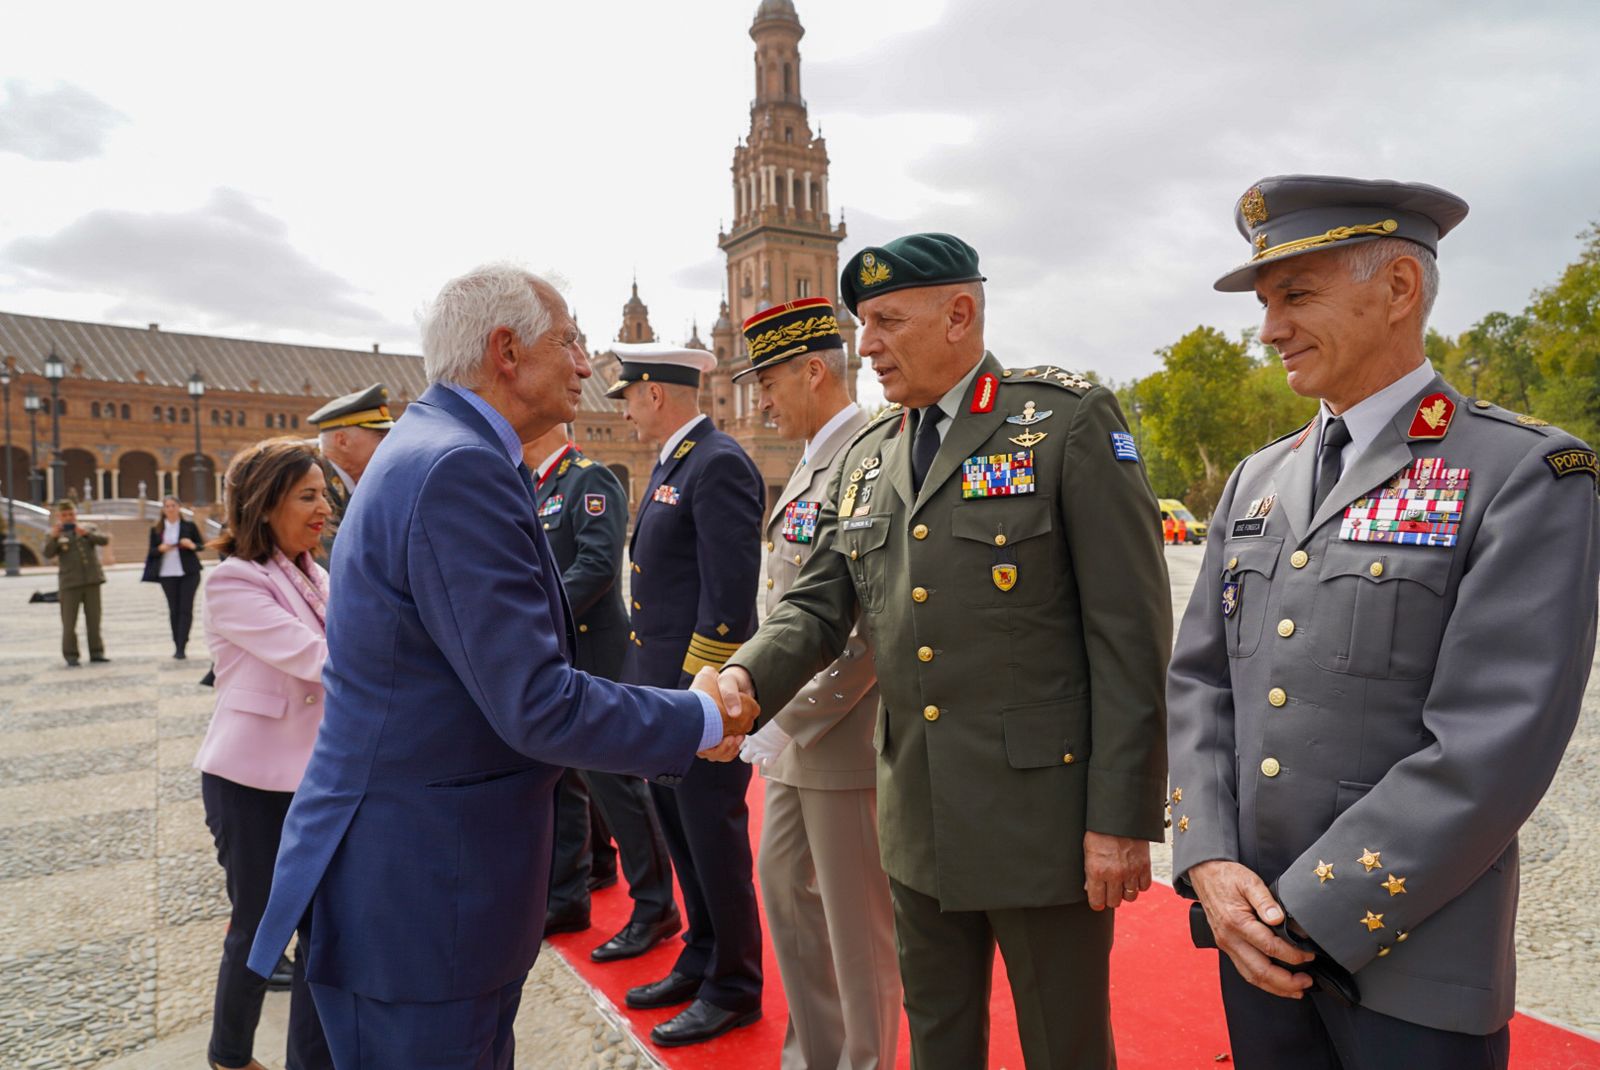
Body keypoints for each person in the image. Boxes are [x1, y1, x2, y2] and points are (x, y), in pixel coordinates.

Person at [246, 263, 754, 1070]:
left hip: (419, 883)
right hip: (426, 894)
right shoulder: (458, 468)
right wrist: (701, 717)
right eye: (571, 341)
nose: (588, 364)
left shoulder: (439, 450)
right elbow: (537, 703)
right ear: (506, 351)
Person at [1166, 175, 1600, 1070]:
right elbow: (1202, 684)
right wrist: (1208, 862)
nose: (1269, 327)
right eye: (1265, 301)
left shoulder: (1523, 474)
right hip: (1254, 945)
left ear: (1399, 289)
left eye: (1296, 294)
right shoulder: (1257, 479)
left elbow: (1490, 744)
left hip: (1411, 965)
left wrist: (1309, 914)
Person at [721, 233, 1172, 1070]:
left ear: (960, 314)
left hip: (1044, 827)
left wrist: (1120, 819)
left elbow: (1131, 636)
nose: (868, 345)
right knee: (938, 1045)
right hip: (916, 820)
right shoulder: (870, 455)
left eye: (888, 320)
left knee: (1064, 1048)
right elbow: (817, 605)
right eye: (863, 324)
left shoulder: (1062, 422)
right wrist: (744, 680)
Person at [734, 298, 901, 1069]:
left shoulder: (872, 453)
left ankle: (861, 1060)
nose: (760, 399)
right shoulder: (811, 456)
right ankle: (814, 1056)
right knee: (785, 895)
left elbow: (868, 625)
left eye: (769, 381)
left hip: (845, 733)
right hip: (801, 736)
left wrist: (779, 715)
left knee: (855, 927)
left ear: (812, 370)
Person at [608, 342, 767, 1047]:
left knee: (716, 841)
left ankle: (735, 984)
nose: (624, 408)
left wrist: (700, 704)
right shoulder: (675, 462)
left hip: (697, 698)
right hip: (665, 698)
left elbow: (728, 603)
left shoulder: (719, 461)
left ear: (654, 392)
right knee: (683, 839)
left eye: (627, 395)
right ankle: (701, 957)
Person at [193, 438, 335, 1070]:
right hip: (250, 783)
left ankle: (312, 1056)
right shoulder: (234, 582)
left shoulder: (318, 574)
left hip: (315, 779)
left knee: (323, 930)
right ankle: (229, 1055)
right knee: (258, 925)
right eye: (307, 495)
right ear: (265, 502)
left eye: (325, 494)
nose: (323, 507)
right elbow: (319, 658)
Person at [526, 422, 682, 962]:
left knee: (616, 786)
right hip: (558, 653)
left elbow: (595, 566)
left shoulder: (588, 481)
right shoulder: (534, 485)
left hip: (595, 654)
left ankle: (655, 905)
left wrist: (531, 617)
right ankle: (569, 892)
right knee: (565, 780)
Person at [307, 383, 394, 553]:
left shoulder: (362, 486)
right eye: (380, 436)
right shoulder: (311, 484)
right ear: (342, 441)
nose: (389, 444)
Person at [43, 500, 110, 667]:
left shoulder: (88, 528)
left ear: (76, 514)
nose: (68, 518)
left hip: (91, 581)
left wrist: (85, 534)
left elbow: (104, 540)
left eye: (71, 514)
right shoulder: (53, 534)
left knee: (94, 620)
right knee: (69, 622)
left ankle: (97, 652)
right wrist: (54, 537)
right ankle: (71, 655)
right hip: (69, 583)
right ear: (59, 516)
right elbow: (48, 553)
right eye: (64, 515)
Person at [142, 496, 204, 659]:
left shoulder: (189, 526)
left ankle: (182, 646)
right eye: (167, 506)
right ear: (163, 509)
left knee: (185, 609)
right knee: (174, 610)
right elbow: (151, 551)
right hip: (167, 574)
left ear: (179, 507)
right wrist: (161, 549)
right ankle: (176, 643)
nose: (170, 509)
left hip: (188, 573)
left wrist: (191, 545)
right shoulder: (156, 529)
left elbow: (200, 545)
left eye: (173, 505)